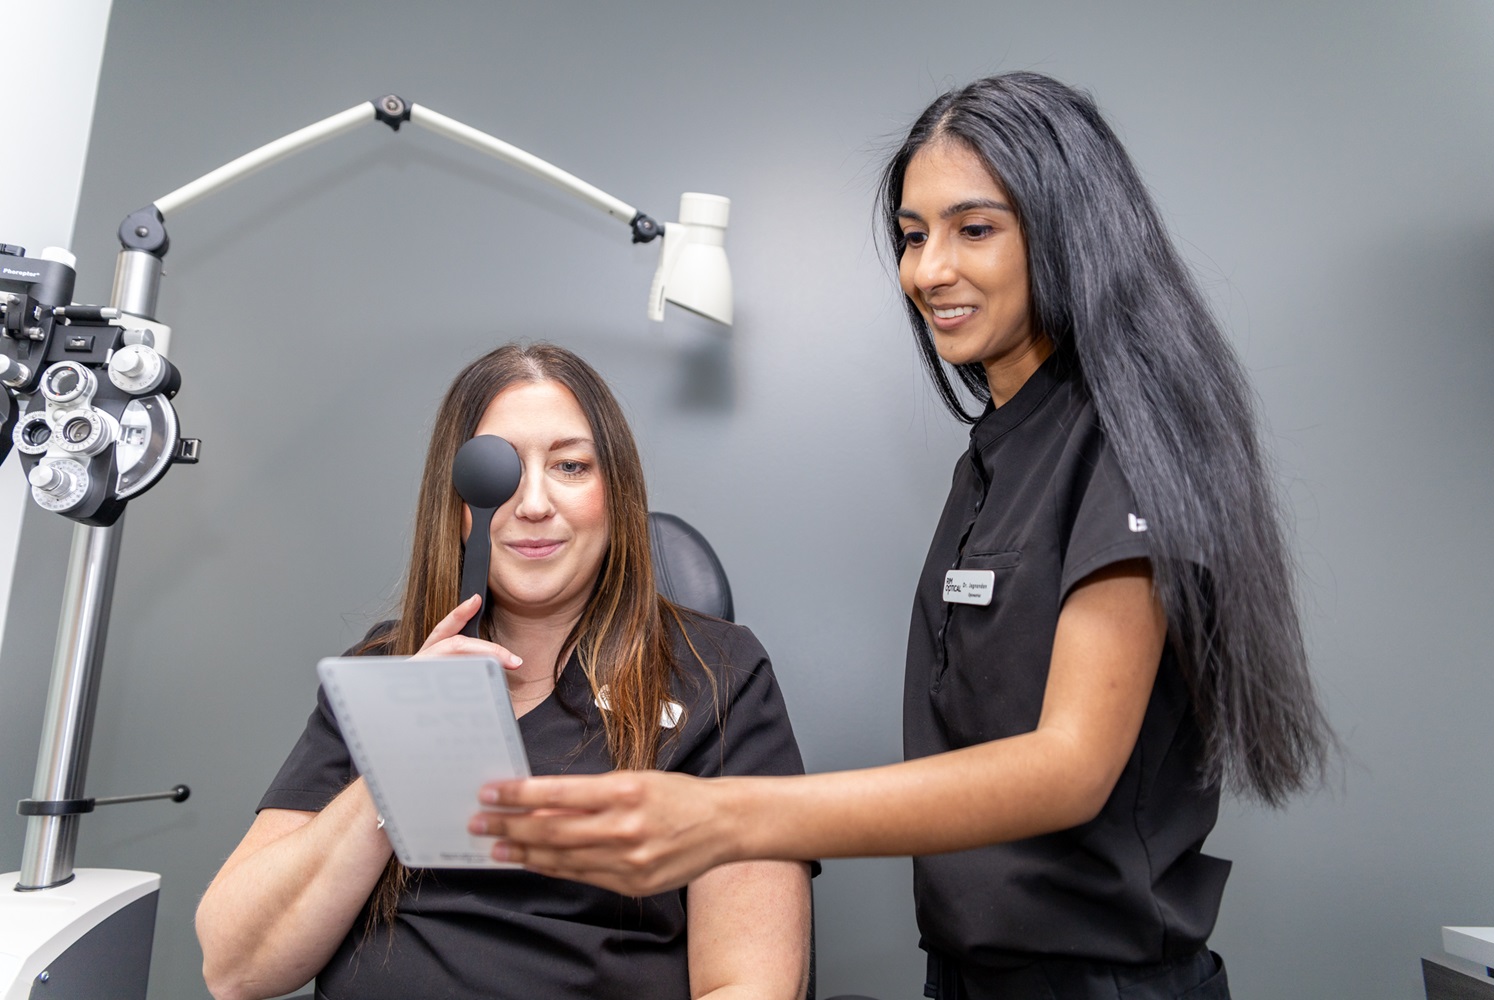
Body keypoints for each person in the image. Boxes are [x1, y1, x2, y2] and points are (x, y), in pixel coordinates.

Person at [470, 74, 1335, 1000]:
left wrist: (726, 816)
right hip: (967, 975)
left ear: (1069, 228)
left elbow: (1071, 767)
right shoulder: (994, 458)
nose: (927, 272)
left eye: (974, 229)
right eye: (914, 236)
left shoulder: (1122, 442)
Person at [195, 343, 811, 1000]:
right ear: (458, 502)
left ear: (617, 492)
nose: (535, 503)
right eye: (502, 471)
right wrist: (401, 751)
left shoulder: (717, 677)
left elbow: (751, 983)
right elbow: (236, 966)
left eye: (571, 466)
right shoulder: (384, 672)